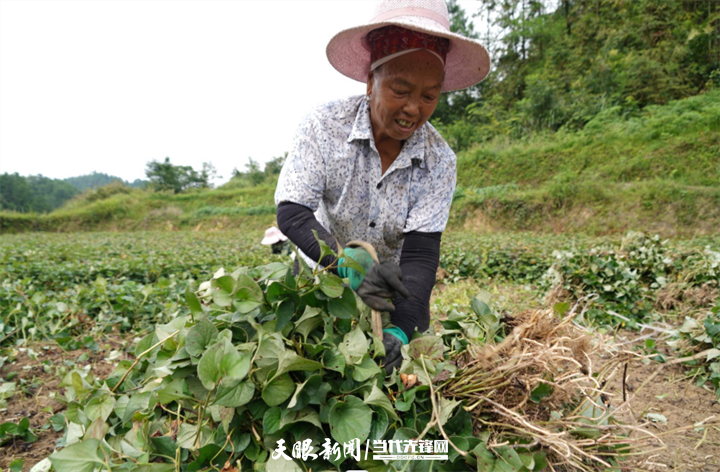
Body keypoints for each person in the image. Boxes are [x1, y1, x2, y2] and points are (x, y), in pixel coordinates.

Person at [275, 0, 490, 373]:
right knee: (310, 370)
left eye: (429, 96)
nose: (413, 109)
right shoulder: (324, 126)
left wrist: (400, 331)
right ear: (371, 80)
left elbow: (421, 256)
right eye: (400, 90)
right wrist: (353, 269)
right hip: (321, 278)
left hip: (393, 292)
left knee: (401, 382)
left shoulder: (439, 161)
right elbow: (292, 212)